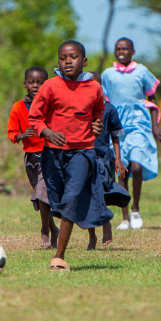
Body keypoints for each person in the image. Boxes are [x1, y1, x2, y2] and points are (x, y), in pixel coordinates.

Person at [28, 40, 110, 271]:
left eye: (72, 57)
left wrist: (96, 124)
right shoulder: (50, 86)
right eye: (63, 57)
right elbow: (35, 117)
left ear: (83, 61)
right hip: (54, 154)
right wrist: (48, 132)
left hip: (82, 152)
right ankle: (57, 228)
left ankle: (59, 256)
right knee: (58, 199)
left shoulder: (94, 87)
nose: (67, 61)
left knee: (72, 197)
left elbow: (98, 112)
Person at [100, 38, 161, 230]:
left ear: (133, 51)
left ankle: (136, 209)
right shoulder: (107, 74)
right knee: (122, 169)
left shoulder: (142, 71)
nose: (121, 51)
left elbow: (152, 97)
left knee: (137, 166)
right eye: (118, 49)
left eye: (125, 49)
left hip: (139, 123)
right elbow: (104, 102)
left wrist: (155, 125)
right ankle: (125, 217)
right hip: (117, 126)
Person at [7, 66, 59, 248]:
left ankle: (44, 230)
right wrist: (23, 135)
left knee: (43, 192)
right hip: (31, 158)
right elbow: (12, 133)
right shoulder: (18, 107)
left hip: (49, 155)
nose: (35, 86)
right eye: (31, 82)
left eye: (40, 82)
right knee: (39, 197)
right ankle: (54, 229)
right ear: (25, 84)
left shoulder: (51, 104)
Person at [87, 71, 129, 249]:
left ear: (101, 87)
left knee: (101, 191)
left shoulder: (109, 109)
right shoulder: (79, 108)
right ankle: (92, 236)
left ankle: (106, 224)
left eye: (95, 85)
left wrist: (118, 159)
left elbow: (115, 136)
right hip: (83, 155)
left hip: (103, 157)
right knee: (86, 195)